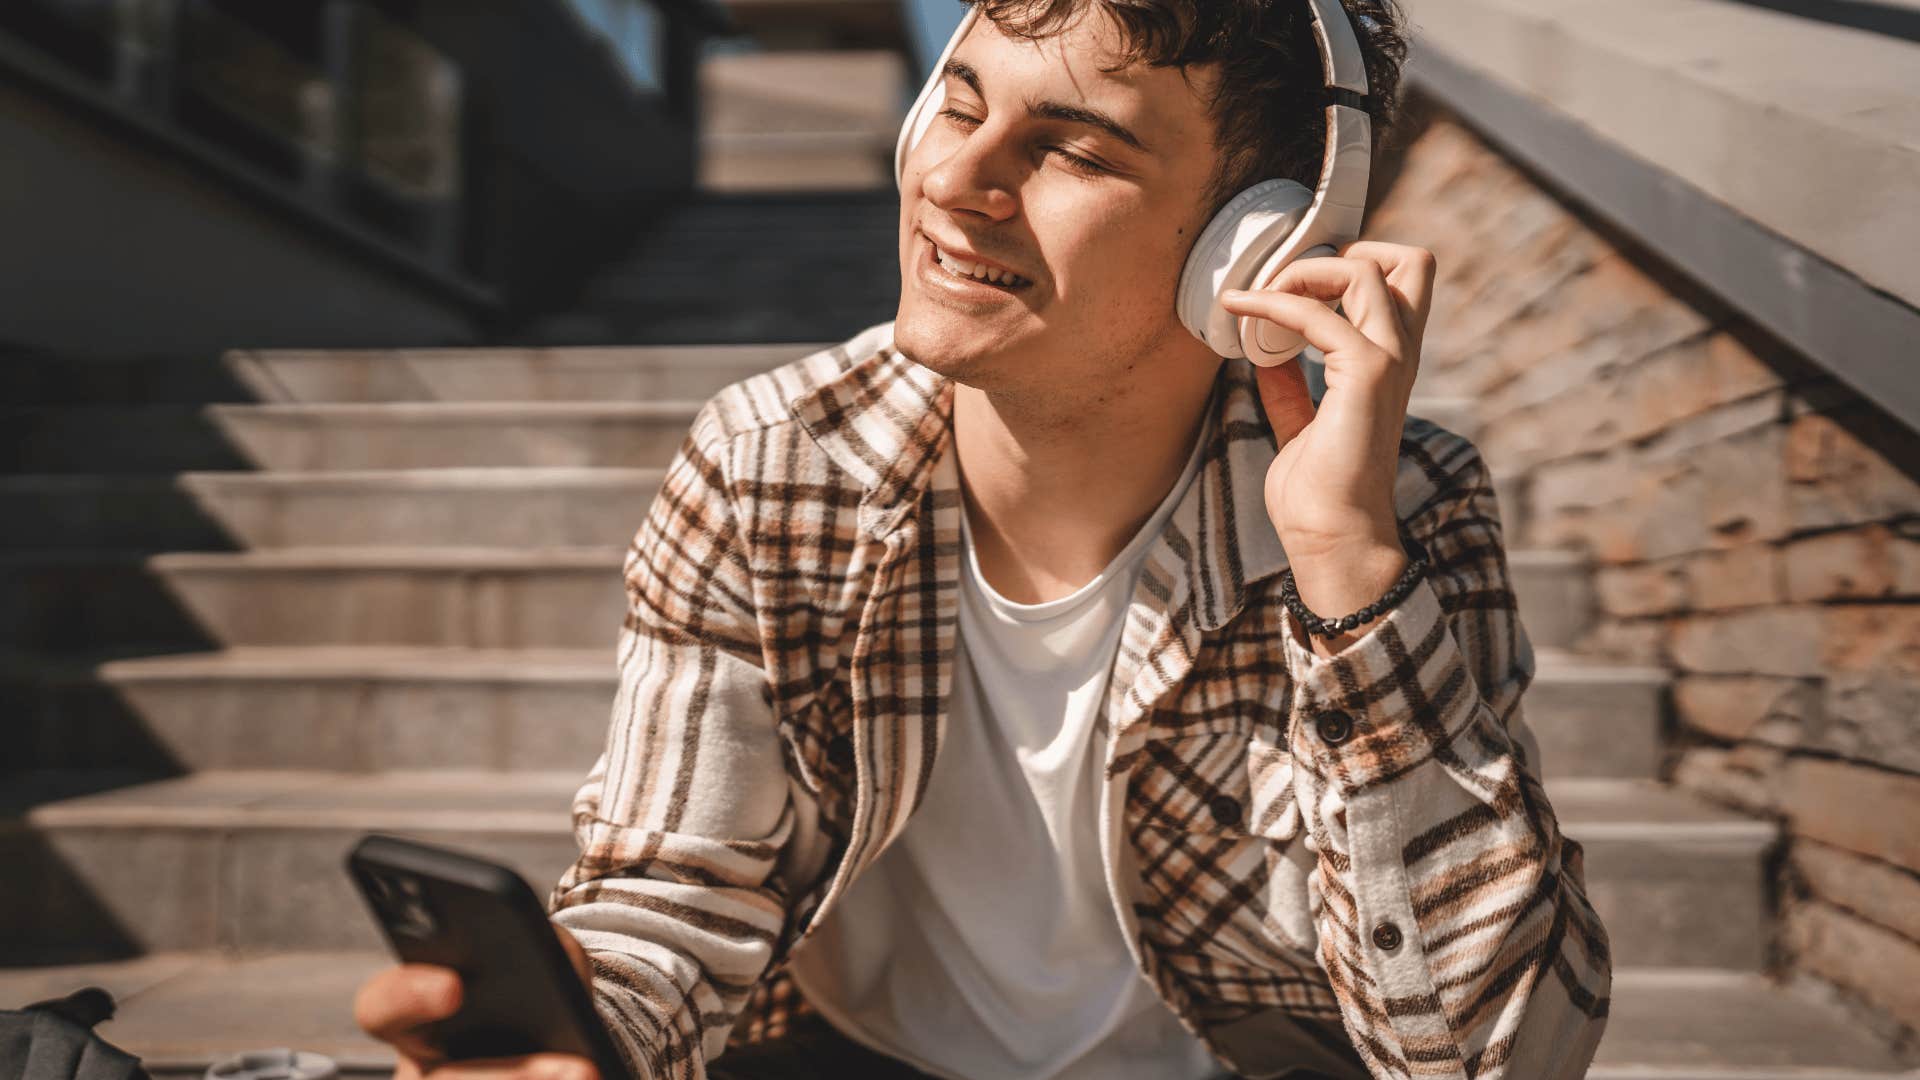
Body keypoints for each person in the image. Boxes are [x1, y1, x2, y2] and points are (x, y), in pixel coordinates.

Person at [354, 0, 1614, 1076]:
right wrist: (579, 1038)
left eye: (1072, 149)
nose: (957, 181)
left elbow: (1492, 1051)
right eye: (958, 108)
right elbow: (674, 900)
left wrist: (1348, 574)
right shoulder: (770, 465)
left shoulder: (1397, 506)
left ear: (1256, 249)